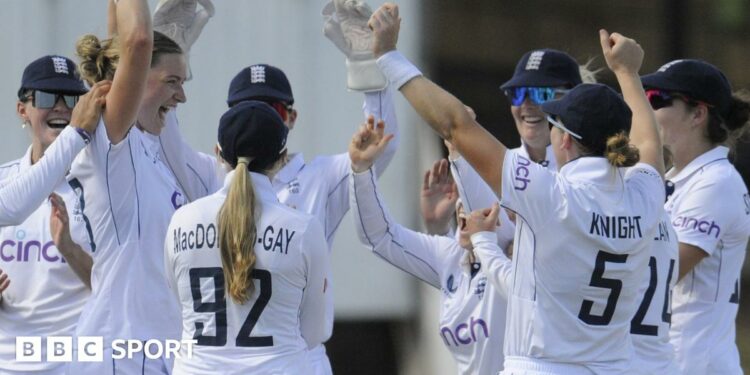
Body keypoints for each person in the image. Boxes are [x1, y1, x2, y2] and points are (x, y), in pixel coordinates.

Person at [369, 4, 666, 372]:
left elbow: (455, 124)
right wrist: (629, 73)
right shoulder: (644, 193)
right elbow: (650, 147)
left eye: (554, 123)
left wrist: (387, 55)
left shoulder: (552, 196)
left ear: (566, 142)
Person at [66, 0, 209, 372]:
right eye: (172, 82)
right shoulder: (115, 143)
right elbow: (137, 41)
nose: (182, 96)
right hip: (122, 351)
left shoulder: (148, 148)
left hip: (152, 350)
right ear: (132, 78)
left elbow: (120, 41)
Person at [164, 101, 329, 374]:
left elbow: (175, 311)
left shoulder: (182, 220)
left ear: (218, 153)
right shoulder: (303, 229)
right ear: (282, 157)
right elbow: (313, 333)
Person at [348, 120, 507, 374]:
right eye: (462, 203)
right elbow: (379, 237)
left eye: (476, 200)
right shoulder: (452, 256)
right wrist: (361, 171)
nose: (464, 211)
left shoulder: (519, 256)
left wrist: (459, 141)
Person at [0, 55, 108, 374]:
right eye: (48, 97)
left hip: (74, 364)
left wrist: (70, 251)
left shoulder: (100, 189)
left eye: (72, 98)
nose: (61, 107)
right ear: (23, 110)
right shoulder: (5, 183)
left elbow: (114, 288)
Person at [641, 59, 750, 374]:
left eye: (657, 99)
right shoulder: (677, 179)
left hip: (695, 365)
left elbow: (662, 272)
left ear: (698, 114)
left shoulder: (717, 183)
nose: (646, 107)